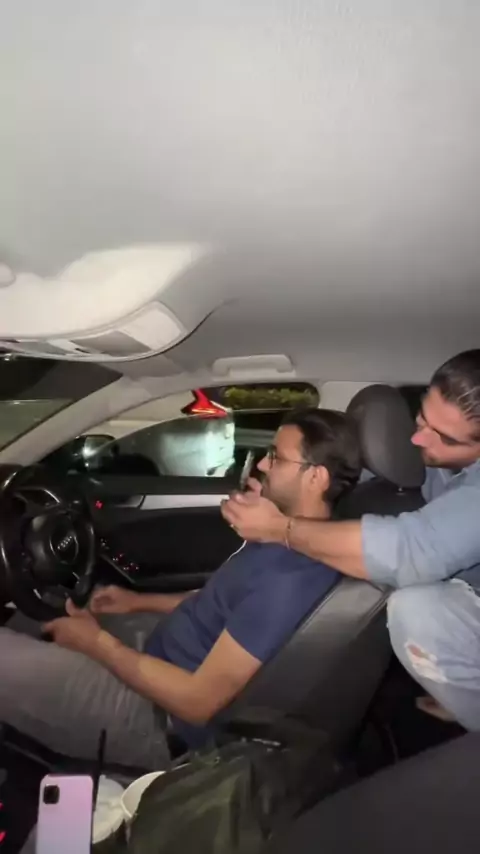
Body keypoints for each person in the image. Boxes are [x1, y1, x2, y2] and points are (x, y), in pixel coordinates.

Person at [0, 408, 360, 769]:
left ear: (315, 478)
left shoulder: (291, 578)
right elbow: (221, 605)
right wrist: (137, 602)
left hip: (157, 719)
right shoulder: (281, 537)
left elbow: (197, 702)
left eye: (276, 458)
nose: (263, 465)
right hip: (154, 655)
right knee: (37, 613)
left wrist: (94, 643)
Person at [222, 350, 480, 731]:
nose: (416, 437)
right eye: (422, 417)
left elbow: (411, 550)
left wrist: (279, 528)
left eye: (443, 437)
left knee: (418, 611)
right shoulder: (432, 456)